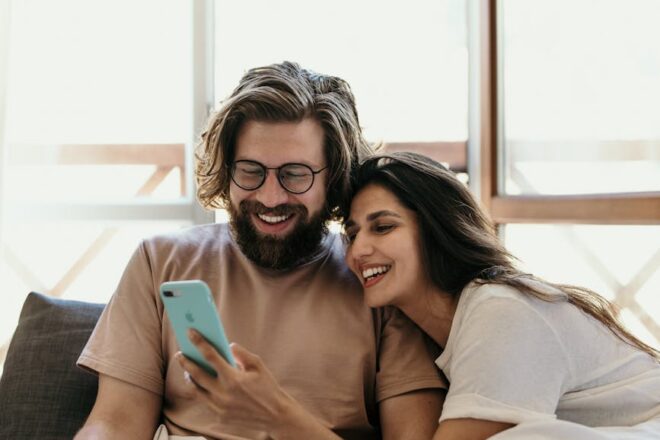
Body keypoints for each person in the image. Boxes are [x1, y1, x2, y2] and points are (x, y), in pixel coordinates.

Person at [74, 63, 446, 440]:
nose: (271, 197)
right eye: (251, 171)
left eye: (295, 174)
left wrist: (275, 413)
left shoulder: (379, 280)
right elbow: (114, 422)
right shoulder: (160, 261)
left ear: (333, 176)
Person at [343, 152, 660, 440]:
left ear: (438, 229)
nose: (358, 251)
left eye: (383, 227)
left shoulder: (500, 310)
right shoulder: (443, 329)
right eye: (352, 234)